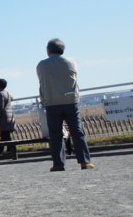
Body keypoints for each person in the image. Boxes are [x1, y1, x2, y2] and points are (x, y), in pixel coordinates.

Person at [37, 38, 96, 171]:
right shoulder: (71, 62)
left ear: (48, 50)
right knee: (77, 131)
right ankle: (85, 162)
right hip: (71, 101)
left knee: (55, 134)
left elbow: (41, 81)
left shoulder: (42, 65)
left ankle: (58, 163)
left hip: (52, 103)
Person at [0, 78, 17, 158]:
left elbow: (0, 108)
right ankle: (7, 149)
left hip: (4, 117)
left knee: (4, 135)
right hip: (10, 116)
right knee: (5, 135)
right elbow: (12, 98)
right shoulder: (7, 93)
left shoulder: (0, 94)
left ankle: (5, 150)